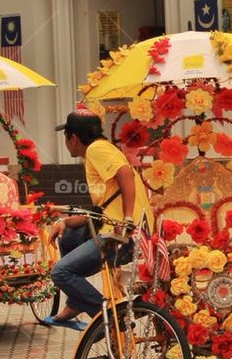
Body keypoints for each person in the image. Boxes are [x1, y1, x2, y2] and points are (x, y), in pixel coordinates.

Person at [45, 110, 153, 330]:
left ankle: (111, 319)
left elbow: (125, 173)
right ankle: (76, 302)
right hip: (118, 229)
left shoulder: (96, 149)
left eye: (66, 137)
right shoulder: (102, 150)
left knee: (60, 272)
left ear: (73, 138)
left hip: (123, 237)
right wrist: (65, 221)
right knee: (68, 238)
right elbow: (98, 212)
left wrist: (127, 219)